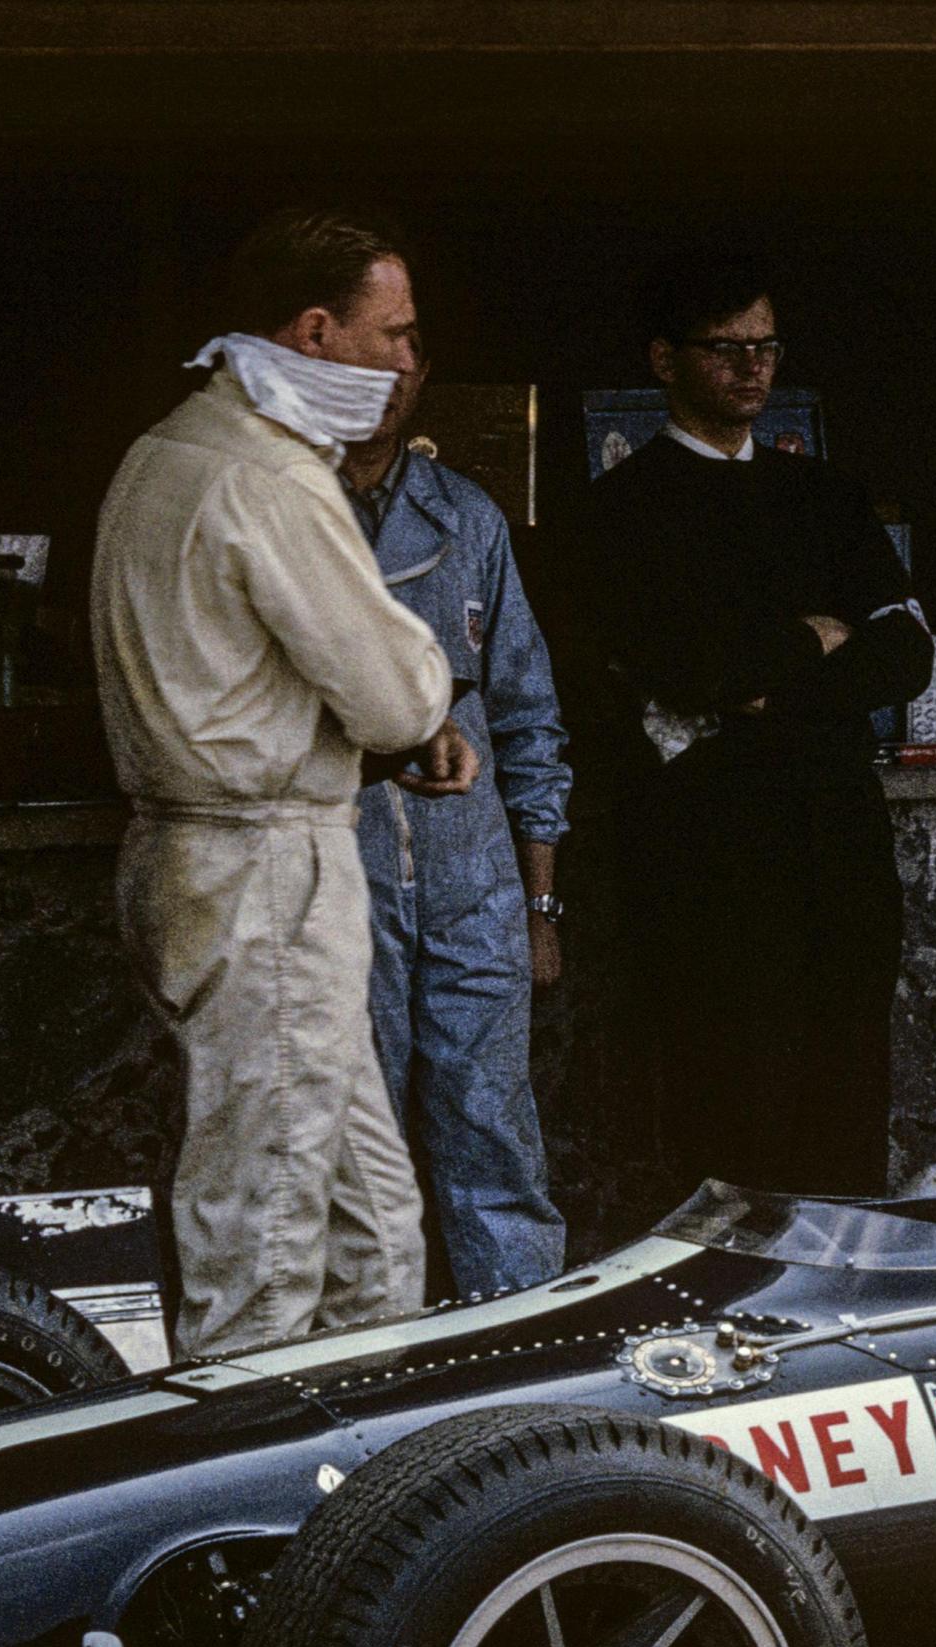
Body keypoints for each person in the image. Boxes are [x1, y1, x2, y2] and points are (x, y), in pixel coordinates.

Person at [90, 207, 472, 1359]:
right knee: (261, 1238)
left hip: (196, 850)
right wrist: (422, 701)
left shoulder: (168, 448)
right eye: (391, 333)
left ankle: (370, 1489)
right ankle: (251, 1524)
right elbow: (399, 693)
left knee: (371, 1221)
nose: (409, 360)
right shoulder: (268, 476)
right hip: (267, 869)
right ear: (316, 330)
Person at [578, 251, 933, 1198]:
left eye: (767, 345)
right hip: (712, 866)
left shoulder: (826, 495)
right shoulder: (619, 512)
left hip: (840, 849)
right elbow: (689, 665)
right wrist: (814, 638)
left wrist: (767, 683)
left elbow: (906, 655)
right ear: (665, 360)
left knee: (847, 1105)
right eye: (727, 347)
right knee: (732, 1121)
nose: (754, 367)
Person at [338, 361, 572, 1298]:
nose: (387, 380)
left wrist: (539, 899)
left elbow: (525, 714)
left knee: (496, 1140)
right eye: (367, 355)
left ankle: (515, 1362)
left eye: (407, 357)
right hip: (342, 876)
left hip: (474, 880)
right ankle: (371, 1375)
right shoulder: (288, 511)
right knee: (358, 1158)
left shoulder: (465, 515)